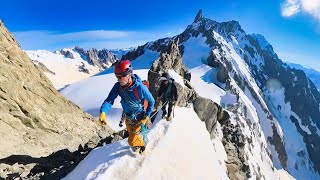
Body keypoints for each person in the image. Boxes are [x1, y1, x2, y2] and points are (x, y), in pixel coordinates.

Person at [98, 60, 155, 154]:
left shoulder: (140, 88)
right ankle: (138, 145)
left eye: (121, 76)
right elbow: (109, 100)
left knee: (131, 140)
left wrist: (147, 116)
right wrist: (103, 112)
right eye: (117, 76)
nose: (119, 79)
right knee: (131, 133)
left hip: (139, 117)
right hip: (128, 117)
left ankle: (142, 149)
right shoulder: (118, 86)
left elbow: (151, 101)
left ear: (129, 74)